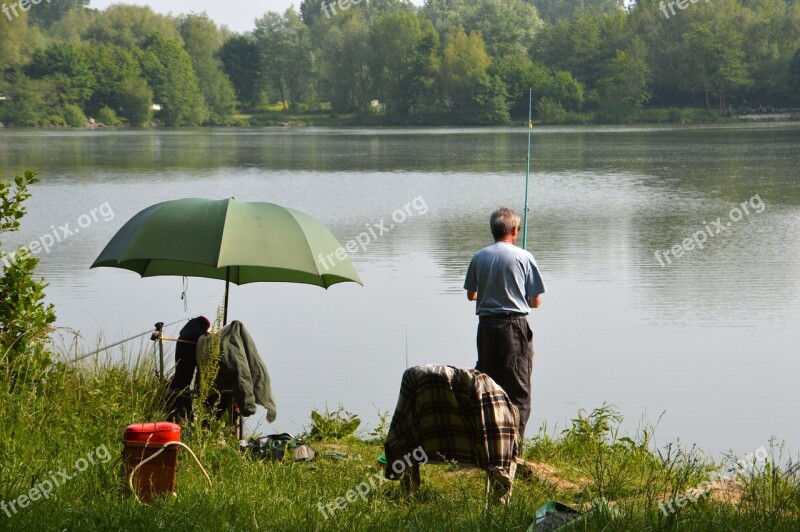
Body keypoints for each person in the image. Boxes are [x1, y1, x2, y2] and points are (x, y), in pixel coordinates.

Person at [464, 207, 546, 440]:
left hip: (486, 328)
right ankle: (514, 447)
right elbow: (536, 302)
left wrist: (491, 294)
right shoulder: (524, 256)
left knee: (488, 385)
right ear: (514, 230)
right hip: (514, 326)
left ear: (493, 230)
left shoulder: (479, 257)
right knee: (519, 389)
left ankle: (489, 441)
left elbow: (471, 295)